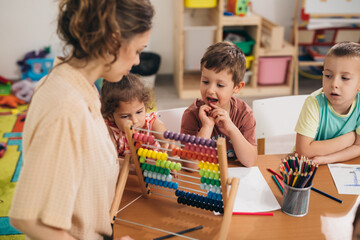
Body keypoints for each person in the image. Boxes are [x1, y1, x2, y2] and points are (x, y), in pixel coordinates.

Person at [9, 0, 154, 239]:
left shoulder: (82, 87)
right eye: (138, 50)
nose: (138, 61)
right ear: (113, 40)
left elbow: (84, 165)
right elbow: (30, 219)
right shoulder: (66, 106)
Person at [181, 41, 257, 167]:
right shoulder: (191, 115)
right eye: (205, 81)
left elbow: (250, 161)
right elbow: (189, 165)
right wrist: (207, 127)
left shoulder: (244, 113)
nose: (210, 90)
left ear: (237, 87)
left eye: (220, 85)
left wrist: (232, 129)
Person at [295, 41, 360, 165]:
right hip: (306, 165)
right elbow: (304, 151)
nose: (334, 84)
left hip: (332, 163)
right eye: (328, 76)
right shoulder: (314, 102)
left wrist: (327, 159)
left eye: (345, 78)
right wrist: (348, 139)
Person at [100, 73, 169, 158]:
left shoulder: (150, 123)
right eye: (125, 116)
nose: (135, 121)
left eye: (139, 112)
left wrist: (167, 144)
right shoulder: (112, 132)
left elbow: (166, 140)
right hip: (130, 170)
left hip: (156, 167)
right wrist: (132, 164)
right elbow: (113, 161)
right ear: (110, 116)